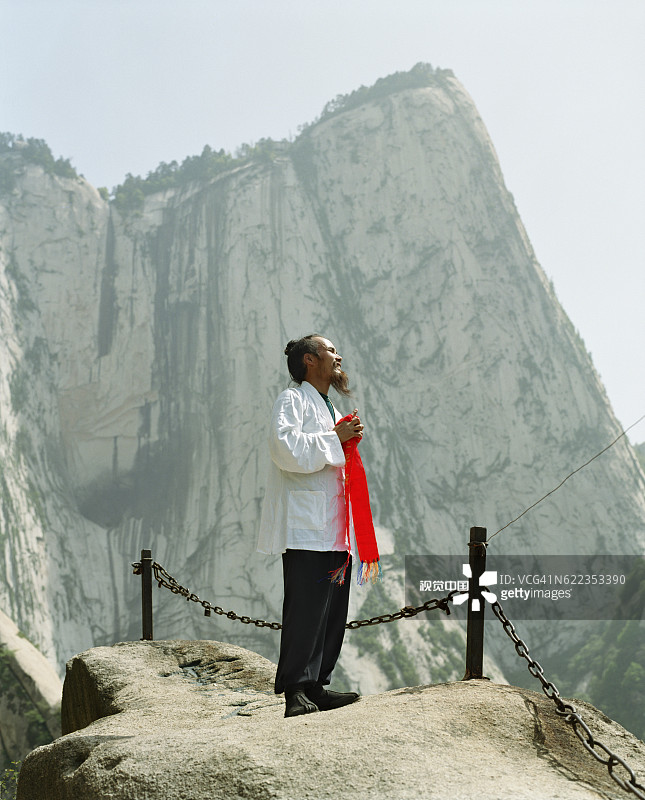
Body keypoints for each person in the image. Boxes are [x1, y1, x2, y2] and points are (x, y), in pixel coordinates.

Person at [257, 334, 365, 718]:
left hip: (335, 526)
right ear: (309, 360)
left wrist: (342, 439)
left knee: (331, 609)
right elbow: (283, 449)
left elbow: (330, 452)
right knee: (305, 607)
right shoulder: (292, 400)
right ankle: (295, 690)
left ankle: (317, 684)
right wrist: (335, 439)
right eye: (331, 351)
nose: (338, 356)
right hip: (307, 525)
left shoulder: (329, 407)